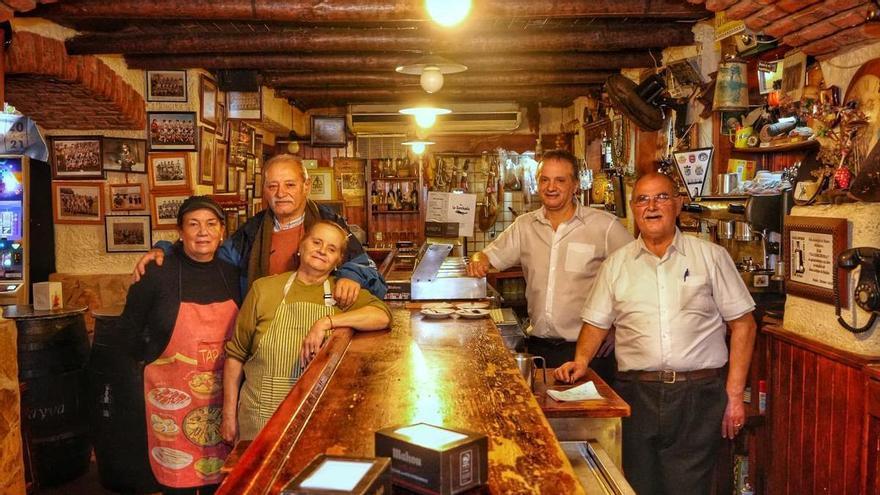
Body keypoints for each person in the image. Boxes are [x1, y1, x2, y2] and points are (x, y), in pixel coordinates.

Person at [555, 173, 757, 495]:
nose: (652, 206)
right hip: (637, 394)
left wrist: (733, 396)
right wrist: (581, 361)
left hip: (698, 395)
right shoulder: (616, 265)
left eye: (661, 197)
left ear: (677, 204)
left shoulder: (711, 257)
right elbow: (596, 322)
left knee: (689, 489)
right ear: (634, 209)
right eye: (642, 200)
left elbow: (744, 324)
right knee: (638, 486)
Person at [134, 154, 386, 307]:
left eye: (290, 184)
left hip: (321, 333)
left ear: (306, 186)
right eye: (273, 186)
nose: (281, 193)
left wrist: (351, 277)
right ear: (264, 190)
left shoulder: (330, 223)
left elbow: (371, 275)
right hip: (264, 336)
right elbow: (208, 257)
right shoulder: (251, 232)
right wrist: (166, 249)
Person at [466, 149, 632, 379]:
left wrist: (617, 327)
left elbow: (637, 277)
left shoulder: (605, 226)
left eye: (560, 180)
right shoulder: (525, 226)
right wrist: (478, 261)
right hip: (539, 348)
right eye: (545, 179)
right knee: (541, 414)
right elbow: (485, 256)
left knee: (591, 415)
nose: (551, 187)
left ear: (575, 185)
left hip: (590, 352)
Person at [221, 220, 392, 442]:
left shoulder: (342, 293)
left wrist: (326, 322)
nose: (322, 251)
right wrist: (228, 416)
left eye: (331, 249)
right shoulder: (263, 289)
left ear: (338, 261)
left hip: (317, 422)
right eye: (316, 242)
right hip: (260, 420)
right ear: (301, 246)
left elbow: (383, 315)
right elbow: (236, 356)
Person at [119, 196, 241, 495]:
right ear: (180, 232)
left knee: (222, 484)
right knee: (177, 487)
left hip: (222, 399)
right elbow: (128, 333)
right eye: (194, 224)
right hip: (171, 403)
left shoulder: (232, 274)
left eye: (211, 224)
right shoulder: (156, 273)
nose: (203, 232)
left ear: (222, 232)